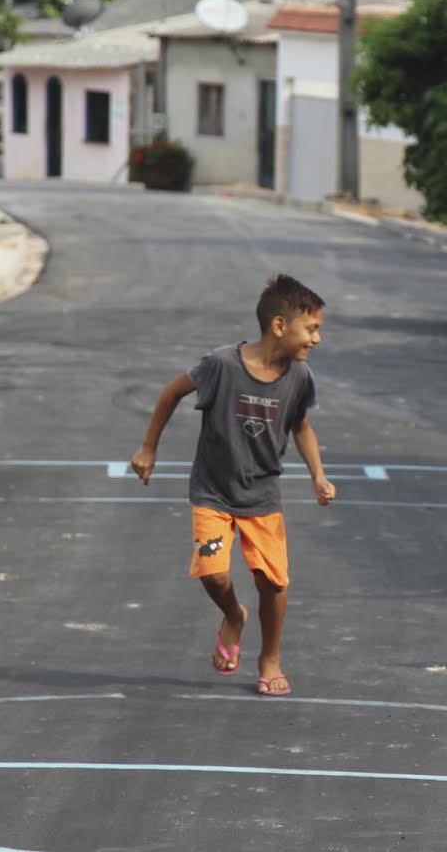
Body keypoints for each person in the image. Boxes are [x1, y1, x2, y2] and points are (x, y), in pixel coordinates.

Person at [131, 274, 336, 697]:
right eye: (312, 328)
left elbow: (303, 427)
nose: (317, 338)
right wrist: (148, 447)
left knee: (274, 584)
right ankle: (233, 615)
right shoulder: (221, 365)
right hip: (213, 492)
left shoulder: (300, 377)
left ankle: (270, 658)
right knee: (213, 572)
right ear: (280, 326)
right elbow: (171, 394)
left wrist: (318, 475)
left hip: (262, 495)